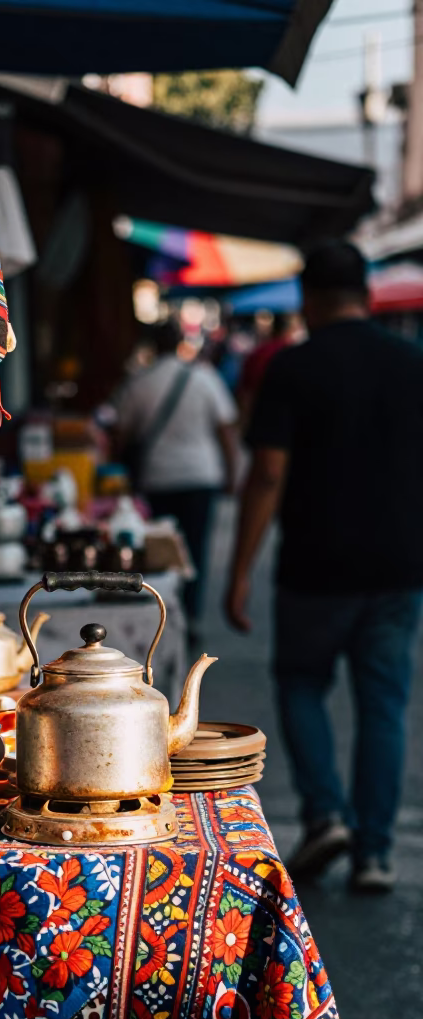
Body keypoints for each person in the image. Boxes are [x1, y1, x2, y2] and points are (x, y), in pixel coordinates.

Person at [225, 240, 423, 892]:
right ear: (365, 294)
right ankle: (374, 852)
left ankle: (324, 816)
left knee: (302, 683)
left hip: (315, 563)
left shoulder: (294, 368)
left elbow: (269, 474)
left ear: (308, 298)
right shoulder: (411, 363)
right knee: (383, 705)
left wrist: (240, 571)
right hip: (398, 564)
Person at [117, 320, 238, 641]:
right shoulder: (204, 378)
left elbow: (121, 433)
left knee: (159, 554)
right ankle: (191, 617)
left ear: (153, 346)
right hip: (201, 476)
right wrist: (232, 472)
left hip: (157, 478)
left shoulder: (140, 382)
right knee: (195, 551)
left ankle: (162, 617)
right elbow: (226, 429)